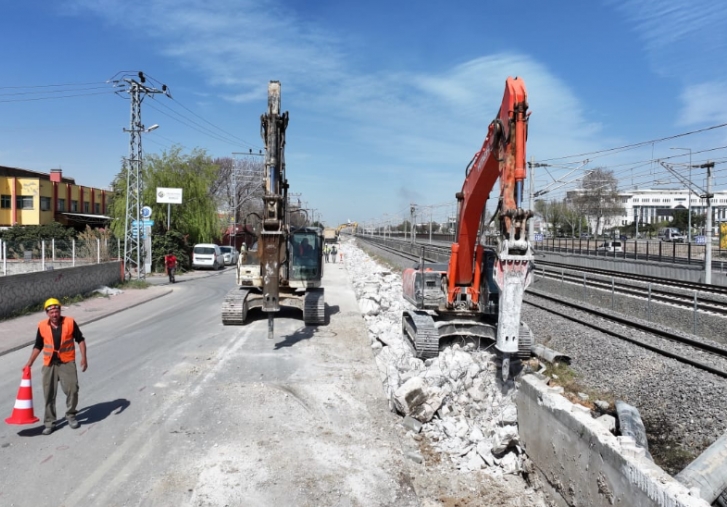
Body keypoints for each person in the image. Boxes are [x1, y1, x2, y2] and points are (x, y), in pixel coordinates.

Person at [25, 298, 88, 435]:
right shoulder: (42, 326)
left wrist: (84, 358)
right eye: (51, 312)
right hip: (49, 364)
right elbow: (38, 345)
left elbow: (80, 340)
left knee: (73, 389)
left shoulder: (70, 322)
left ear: (60, 311)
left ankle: (71, 415)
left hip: (67, 362)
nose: (54, 314)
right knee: (48, 394)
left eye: (56, 311)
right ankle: (50, 422)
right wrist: (29, 363)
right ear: (47, 313)